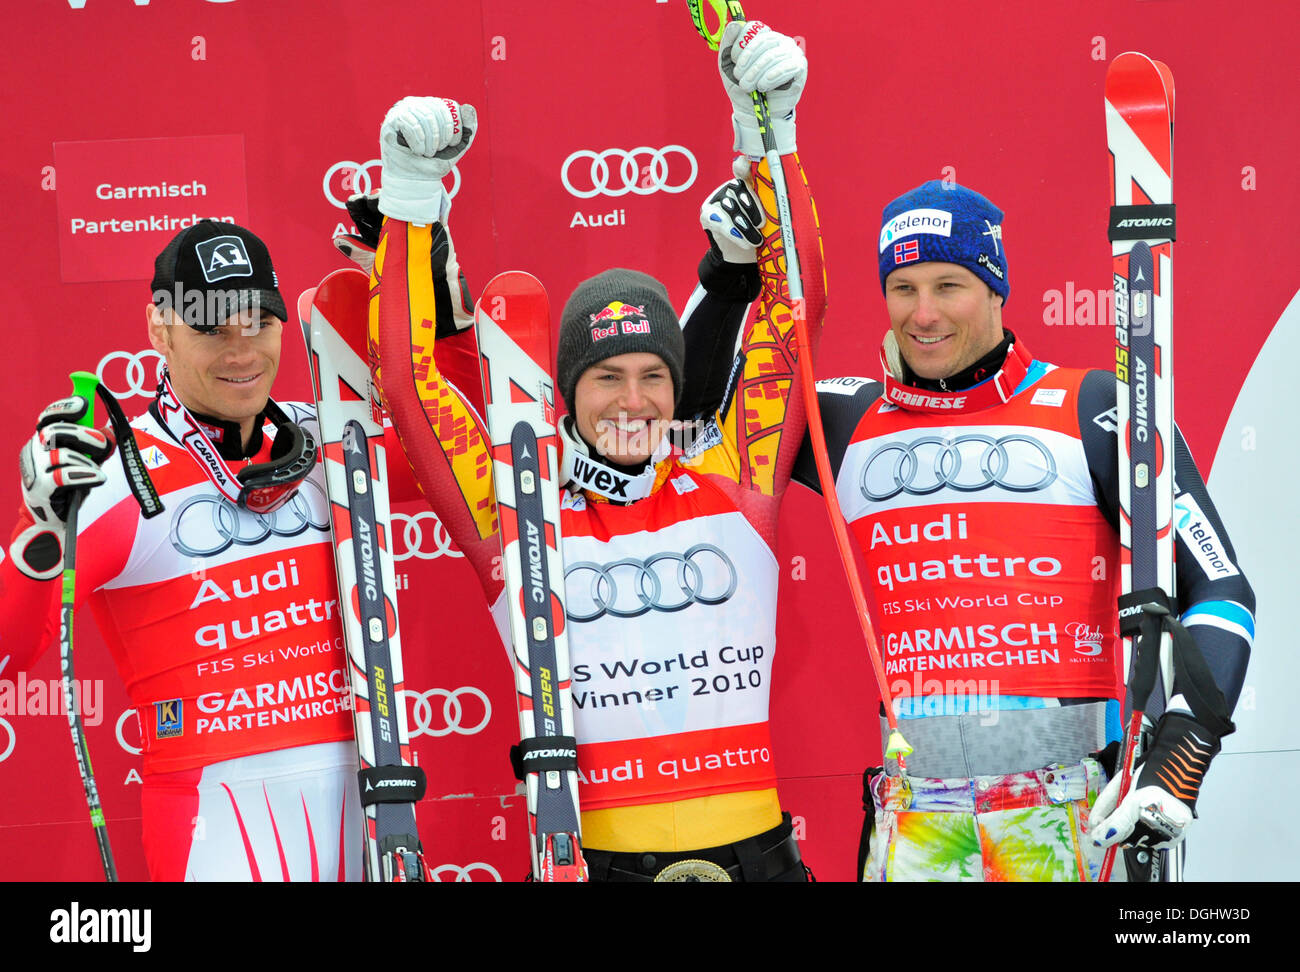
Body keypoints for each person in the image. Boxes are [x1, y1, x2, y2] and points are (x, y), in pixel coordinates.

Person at [684, 179, 1255, 881]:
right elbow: (691, 425)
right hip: (916, 816)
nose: (922, 314)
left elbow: (1221, 588)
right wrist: (730, 277)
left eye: (948, 285)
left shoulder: (1095, 404)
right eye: (903, 288)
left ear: (995, 290)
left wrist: (1181, 753)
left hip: (1068, 810)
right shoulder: (844, 418)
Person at [370, 20, 824, 881]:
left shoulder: (734, 479)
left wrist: (773, 139)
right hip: (598, 858)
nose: (633, 400)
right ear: (565, 390)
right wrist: (410, 200)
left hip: (758, 853)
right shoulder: (518, 510)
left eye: (654, 375)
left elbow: (793, 316)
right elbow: (411, 383)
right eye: (605, 376)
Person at [0, 217, 469, 880]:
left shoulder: (331, 441)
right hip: (213, 834)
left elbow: (471, 464)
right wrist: (37, 531)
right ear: (158, 330)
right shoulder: (112, 478)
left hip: (374, 811)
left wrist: (444, 329)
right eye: (211, 328)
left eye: (258, 321)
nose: (241, 350)